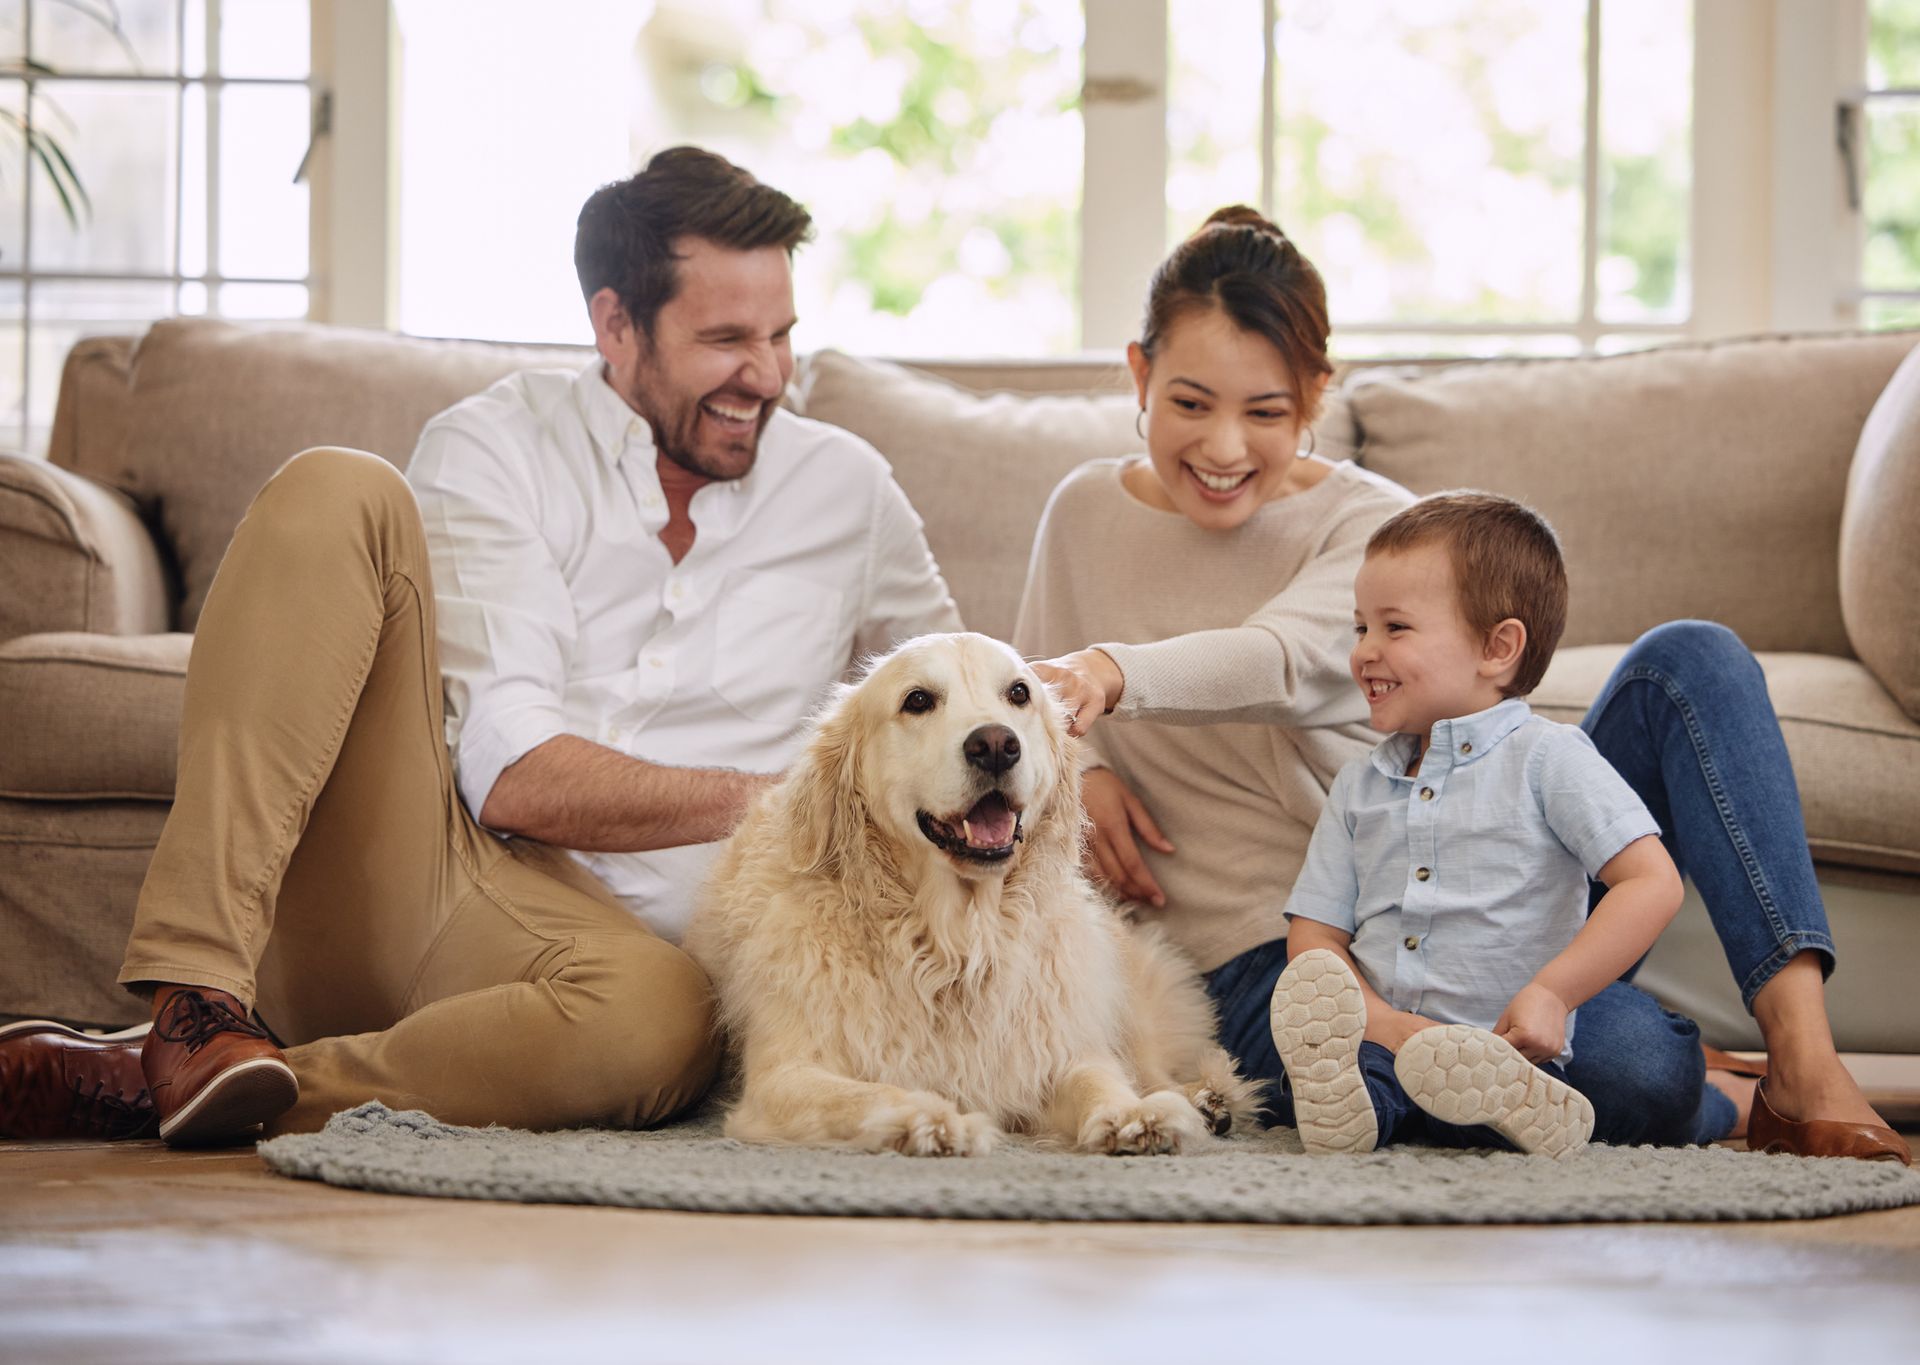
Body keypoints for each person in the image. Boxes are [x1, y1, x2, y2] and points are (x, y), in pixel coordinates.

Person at [0, 146, 959, 1146]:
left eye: (782, 334)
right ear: (616, 325)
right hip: (452, 880)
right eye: (725, 339)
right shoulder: (496, 447)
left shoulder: (850, 490)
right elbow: (514, 778)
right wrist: (787, 799)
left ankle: (189, 1082)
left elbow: (963, 684)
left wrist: (1084, 755)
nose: (765, 375)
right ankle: (193, 1003)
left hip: (634, 964)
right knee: (341, 486)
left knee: (663, 1032)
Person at [1017, 205, 1911, 1164]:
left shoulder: (1383, 533)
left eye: (1266, 411)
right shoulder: (1080, 513)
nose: (1224, 447)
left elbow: (1278, 661)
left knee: (1691, 661)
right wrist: (1086, 760)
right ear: (1139, 374)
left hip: (1448, 906)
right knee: (1628, 1068)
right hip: (1262, 964)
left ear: (1318, 392)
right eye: (1190, 403)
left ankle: (1805, 1065)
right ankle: (1718, 1098)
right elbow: (1033, 704)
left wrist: (1114, 674)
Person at [1273, 492, 1682, 1158]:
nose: (1364, 653)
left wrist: (1553, 993)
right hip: (1379, 1038)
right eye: (1360, 628)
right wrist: (1373, 1018)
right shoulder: (1360, 784)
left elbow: (1651, 881)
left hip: (1502, 1045)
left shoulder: (1548, 758)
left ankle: (1507, 1105)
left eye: (1394, 628)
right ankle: (1359, 1110)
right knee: (1333, 1078)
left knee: (1490, 1089)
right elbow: (1316, 930)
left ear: (1497, 648)